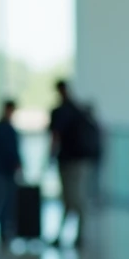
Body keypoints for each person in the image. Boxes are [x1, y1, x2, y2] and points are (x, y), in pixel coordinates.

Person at [48, 80, 100, 249]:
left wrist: (50, 156)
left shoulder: (60, 112)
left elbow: (55, 137)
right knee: (73, 198)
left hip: (68, 161)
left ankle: (76, 235)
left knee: (72, 198)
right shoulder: (79, 110)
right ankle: (74, 235)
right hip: (81, 161)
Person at [0, 99, 23, 246]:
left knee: (6, 199)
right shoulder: (4, 128)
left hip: (3, 169)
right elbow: (10, 151)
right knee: (4, 199)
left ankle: (5, 228)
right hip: (4, 169)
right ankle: (3, 228)